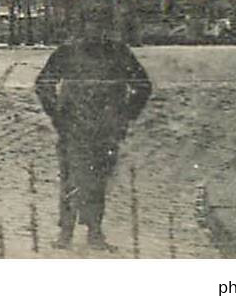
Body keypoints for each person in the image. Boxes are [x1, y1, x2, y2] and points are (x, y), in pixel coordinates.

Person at [34, 32, 152, 250]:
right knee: (71, 178)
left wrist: (125, 116)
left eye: (101, 23)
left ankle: (94, 231)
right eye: (91, 23)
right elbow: (43, 84)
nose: (95, 30)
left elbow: (143, 86)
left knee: (98, 179)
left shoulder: (119, 52)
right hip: (74, 127)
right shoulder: (67, 51)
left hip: (106, 129)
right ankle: (66, 233)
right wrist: (58, 115)